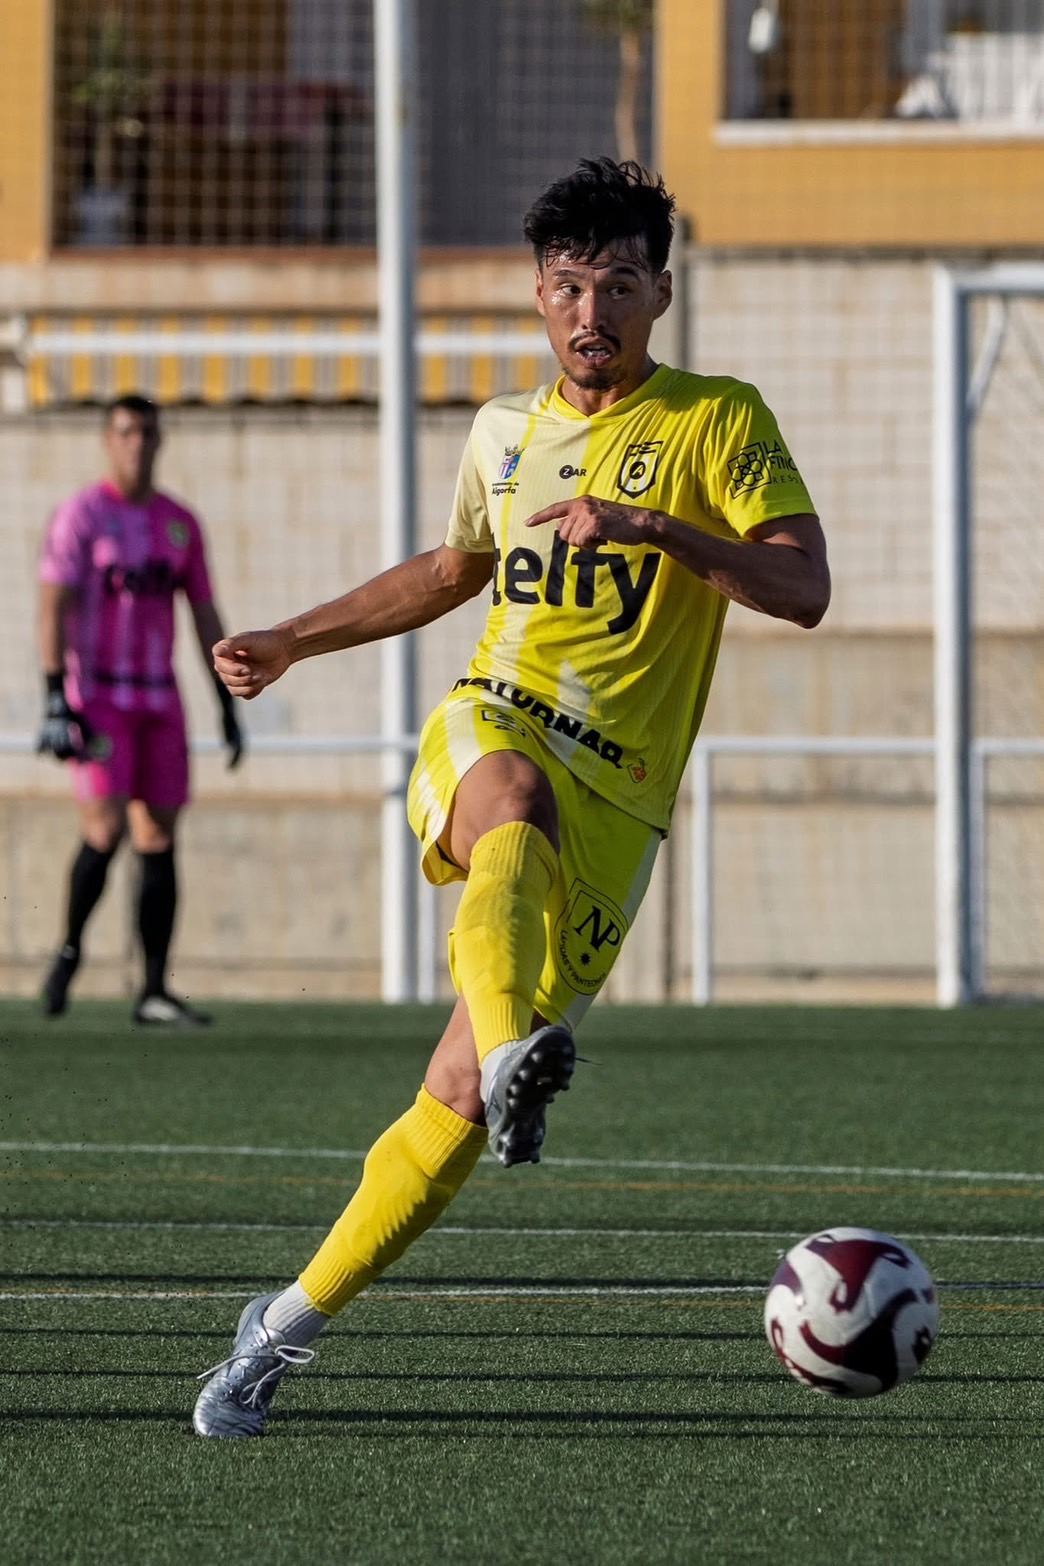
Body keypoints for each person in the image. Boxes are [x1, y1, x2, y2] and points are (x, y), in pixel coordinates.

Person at [192, 158, 830, 1437]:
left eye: (619, 285)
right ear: (539, 295)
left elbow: (803, 588)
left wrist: (661, 533)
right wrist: (294, 639)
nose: (592, 312)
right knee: (514, 801)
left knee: (456, 1102)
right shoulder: (502, 434)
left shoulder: (719, 422)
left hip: (624, 805)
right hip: (498, 720)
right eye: (568, 286)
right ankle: (515, 1048)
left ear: (661, 294)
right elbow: (452, 572)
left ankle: (281, 1329)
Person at [37, 393, 244, 1026]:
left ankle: (154, 988)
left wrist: (224, 699)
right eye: (126, 432)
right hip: (99, 696)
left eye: (147, 432)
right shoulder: (82, 516)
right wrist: (54, 695)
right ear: (108, 440)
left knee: (159, 836)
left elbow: (203, 610)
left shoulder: (179, 523)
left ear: (159, 440)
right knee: (105, 831)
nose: (138, 443)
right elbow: (52, 605)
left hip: (159, 697)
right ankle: (70, 950)